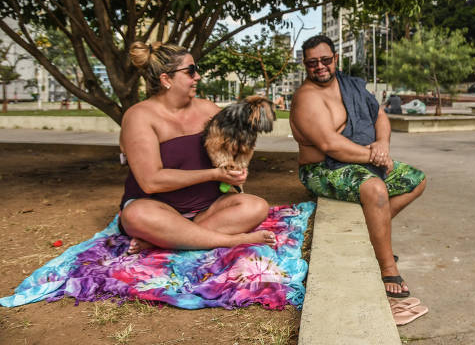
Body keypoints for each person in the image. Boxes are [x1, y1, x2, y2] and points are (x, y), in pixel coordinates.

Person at [289, 34, 426, 298]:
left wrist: (383, 145)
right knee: (375, 189)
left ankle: (372, 236)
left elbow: (379, 116)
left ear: (336, 59)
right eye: (312, 63)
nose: (320, 66)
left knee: (416, 179)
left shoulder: (350, 85)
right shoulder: (307, 98)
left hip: (360, 159)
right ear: (305, 66)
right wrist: (375, 156)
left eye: (326, 60)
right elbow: (330, 145)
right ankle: (387, 267)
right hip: (321, 170)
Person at [119, 41, 276, 254]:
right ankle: (232, 240)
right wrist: (213, 174)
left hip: (207, 209)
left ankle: (165, 240)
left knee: (256, 207)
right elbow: (151, 182)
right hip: (158, 207)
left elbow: (230, 152)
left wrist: (236, 167)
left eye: (197, 70)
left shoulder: (209, 109)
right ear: (166, 79)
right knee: (136, 215)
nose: (198, 77)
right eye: (190, 71)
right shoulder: (139, 117)